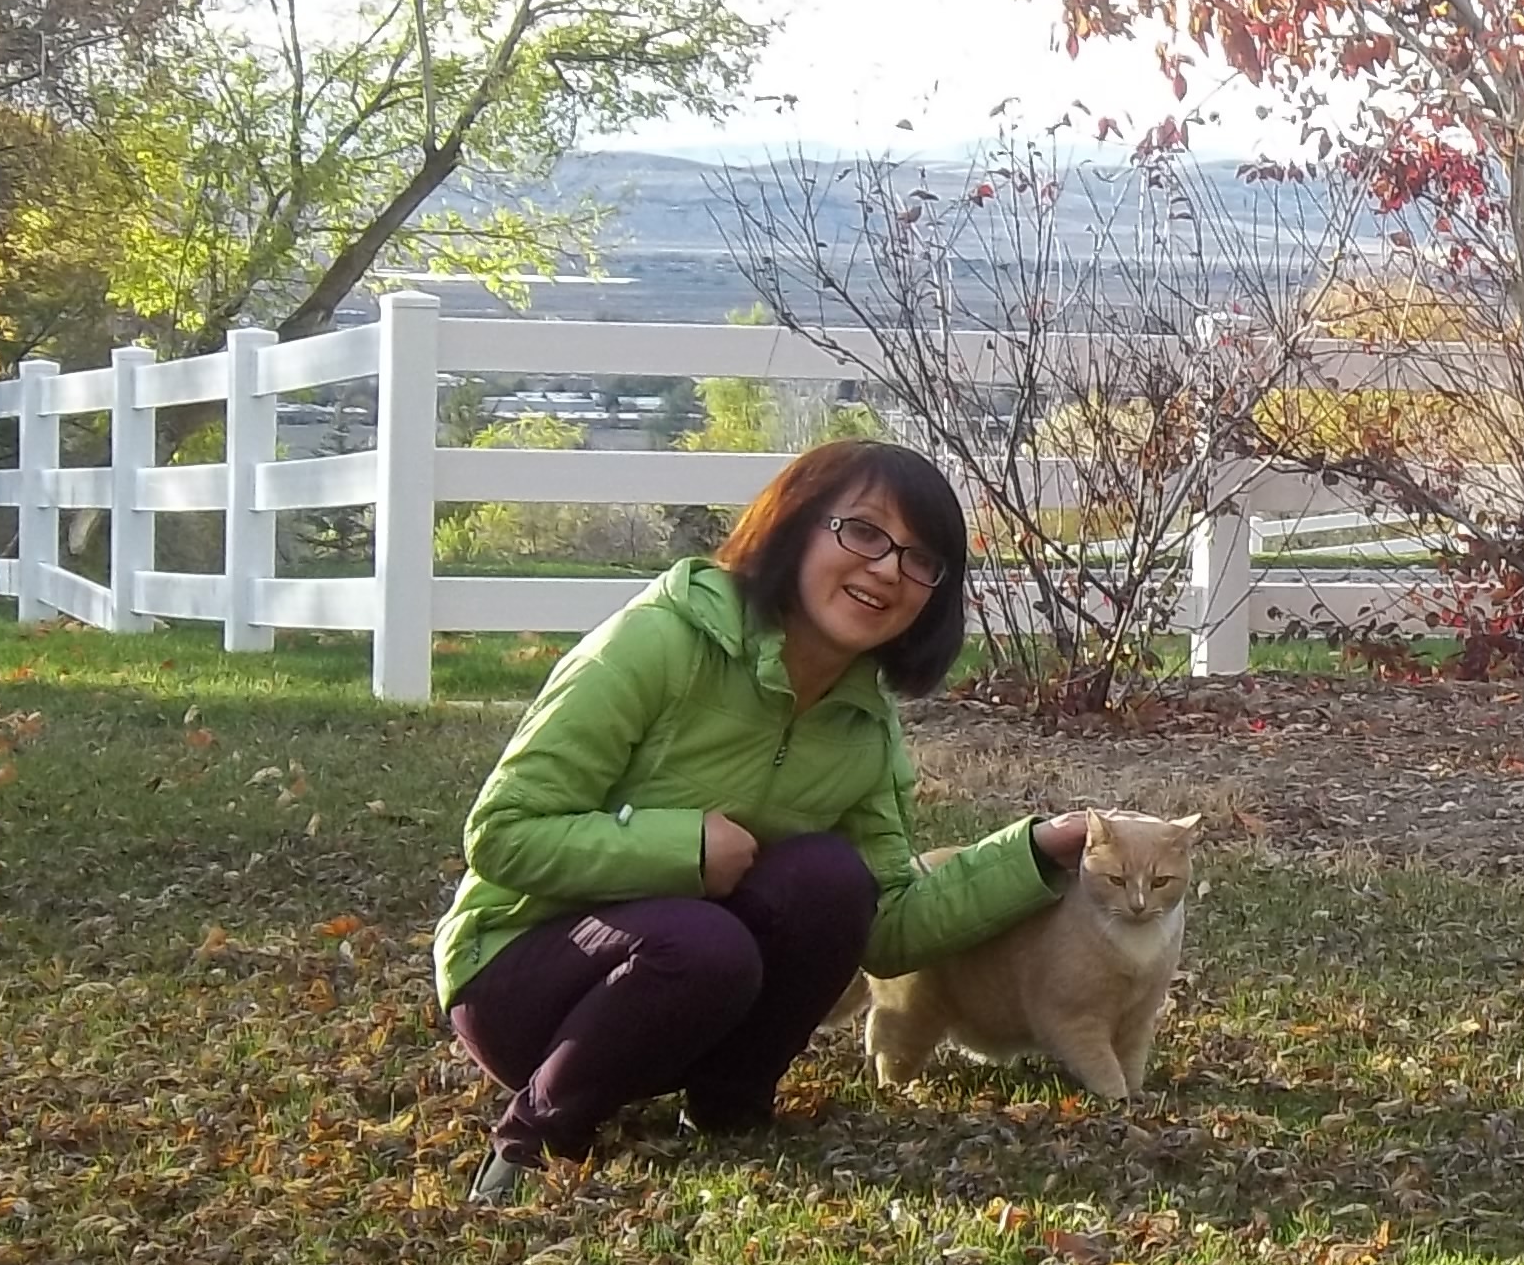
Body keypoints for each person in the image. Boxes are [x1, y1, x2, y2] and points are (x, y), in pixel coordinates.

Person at [430, 438, 1096, 1205]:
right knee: (705, 943)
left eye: (921, 559)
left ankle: (729, 1109)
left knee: (830, 879)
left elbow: (884, 926)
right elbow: (504, 832)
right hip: (521, 982)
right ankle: (535, 1141)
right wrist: (685, 849)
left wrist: (1038, 850)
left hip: (685, 1001)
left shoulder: (863, 723)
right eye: (864, 532)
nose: (888, 569)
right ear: (794, 524)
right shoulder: (658, 642)